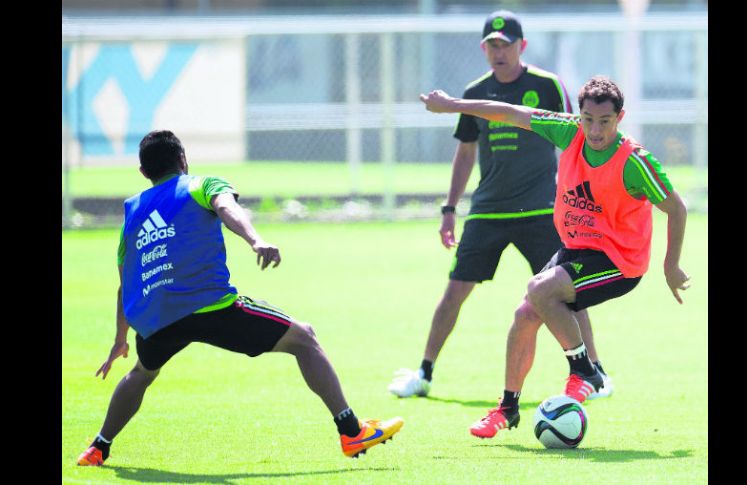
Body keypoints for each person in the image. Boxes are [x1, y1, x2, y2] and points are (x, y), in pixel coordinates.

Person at [77, 130, 403, 466]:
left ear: (144, 173)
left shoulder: (132, 212)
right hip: (211, 307)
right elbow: (225, 205)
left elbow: (124, 283)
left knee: (142, 374)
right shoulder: (199, 185)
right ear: (183, 160)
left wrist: (120, 338)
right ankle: (352, 432)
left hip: (157, 319)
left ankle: (97, 448)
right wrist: (256, 240)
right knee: (304, 338)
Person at [419, 75, 690, 438]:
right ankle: (508, 408)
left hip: (619, 262)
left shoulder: (633, 161)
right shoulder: (569, 132)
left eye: (604, 122)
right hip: (576, 249)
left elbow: (677, 208)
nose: (594, 130)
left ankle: (585, 371)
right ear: (579, 116)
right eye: (588, 120)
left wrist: (670, 265)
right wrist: (453, 105)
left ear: (619, 118)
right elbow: (510, 113)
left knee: (540, 289)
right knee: (524, 314)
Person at [388, 10, 612, 401]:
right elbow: (466, 152)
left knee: (567, 293)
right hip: (489, 210)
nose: (499, 51)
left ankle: (596, 374)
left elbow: (573, 140)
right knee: (454, 292)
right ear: (483, 48)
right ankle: (423, 374)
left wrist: (582, 201)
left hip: (541, 210)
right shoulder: (475, 90)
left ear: (521, 46)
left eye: (506, 44)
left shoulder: (545, 85)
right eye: (492, 45)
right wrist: (449, 208)